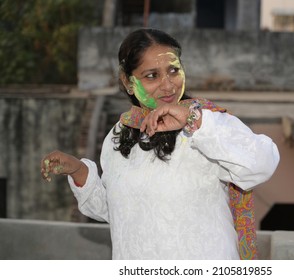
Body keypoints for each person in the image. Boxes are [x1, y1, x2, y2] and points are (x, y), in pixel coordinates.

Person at [41, 28, 280, 260]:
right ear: (128, 82)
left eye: (173, 70)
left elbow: (262, 164)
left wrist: (195, 121)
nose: (168, 85)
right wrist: (79, 171)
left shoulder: (205, 123)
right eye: (152, 75)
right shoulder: (120, 134)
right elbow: (119, 211)